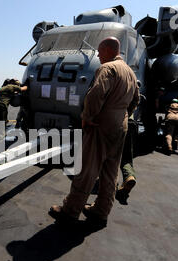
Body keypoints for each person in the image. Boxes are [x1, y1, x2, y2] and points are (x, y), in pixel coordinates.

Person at [49, 37, 139, 230]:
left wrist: (87, 116)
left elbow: (96, 93)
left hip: (101, 125)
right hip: (120, 125)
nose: (98, 55)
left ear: (108, 50)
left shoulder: (108, 69)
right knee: (110, 172)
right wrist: (123, 115)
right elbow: (136, 100)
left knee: (86, 171)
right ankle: (100, 212)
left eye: (99, 51)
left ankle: (70, 211)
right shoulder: (130, 72)